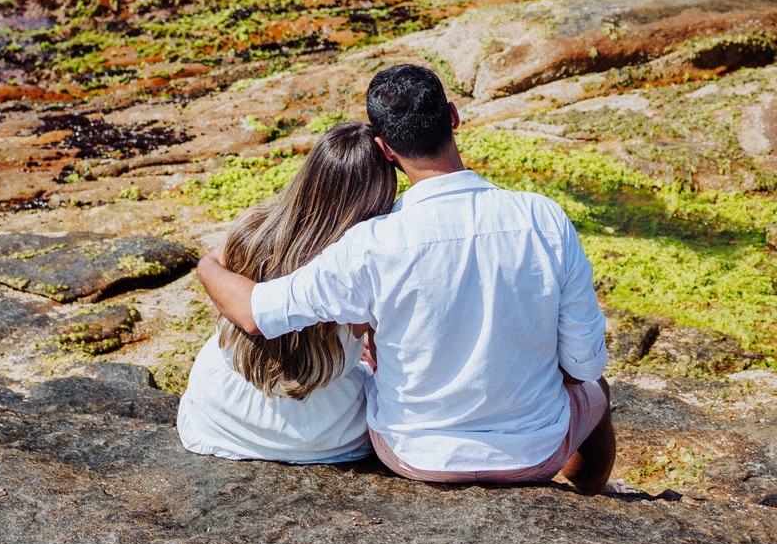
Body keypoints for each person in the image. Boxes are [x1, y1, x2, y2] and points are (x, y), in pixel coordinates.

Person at [196, 64, 616, 492]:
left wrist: (207, 265)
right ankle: (593, 493)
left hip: (414, 454)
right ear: (453, 116)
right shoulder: (544, 217)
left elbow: (255, 313)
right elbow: (584, 362)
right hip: (534, 455)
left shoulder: (371, 243)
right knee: (595, 386)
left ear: (386, 149)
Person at [178, 121, 397, 464]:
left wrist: (205, 265)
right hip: (323, 430)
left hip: (226, 414)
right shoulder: (364, 258)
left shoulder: (253, 227)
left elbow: (216, 267)